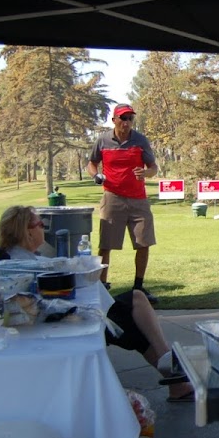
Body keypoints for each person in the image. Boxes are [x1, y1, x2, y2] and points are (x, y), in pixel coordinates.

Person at [0, 205, 193, 401]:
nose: (44, 229)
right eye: (40, 224)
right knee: (130, 318)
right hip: (64, 323)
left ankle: (173, 372)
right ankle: (172, 370)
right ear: (27, 232)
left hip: (69, 315)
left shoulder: (24, 257)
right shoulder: (21, 263)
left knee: (134, 303)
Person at [88, 103, 159, 304]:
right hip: (112, 197)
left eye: (130, 118)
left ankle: (138, 287)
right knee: (106, 244)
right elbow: (92, 163)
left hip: (138, 199)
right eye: (123, 118)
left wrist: (146, 173)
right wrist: (96, 175)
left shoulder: (140, 140)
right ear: (114, 120)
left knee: (144, 243)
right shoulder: (103, 141)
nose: (127, 122)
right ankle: (102, 286)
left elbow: (153, 167)